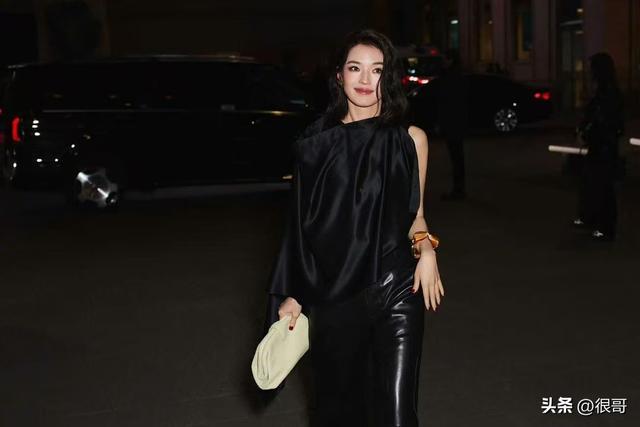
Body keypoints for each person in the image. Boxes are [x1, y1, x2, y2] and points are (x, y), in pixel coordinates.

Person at [264, 29, 444, 426]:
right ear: (339, 75)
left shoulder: (410, 139)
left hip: (397, 288)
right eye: (355, 68)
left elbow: (415, 215)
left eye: (377, 70)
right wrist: (295, 293)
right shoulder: (315, 143)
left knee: (398, 416)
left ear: (389, 78)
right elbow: (300, 226)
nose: (365, 80)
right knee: (339, 413)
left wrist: (426, 249)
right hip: (335, 295)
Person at [574, 52, 624, 241]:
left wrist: (589, 132)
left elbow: (605, 121)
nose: (590, 73)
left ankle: (605, 227)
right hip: (600, 145)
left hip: (604, 146)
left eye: (593, 69)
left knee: (603, 187)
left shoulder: (608, 92)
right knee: (592, 184)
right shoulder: (603, 90)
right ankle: (591, 219)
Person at [437, 48, 469, 200]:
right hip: (455, 122)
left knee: (456, 157)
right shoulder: (454, 76)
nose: (443, 61)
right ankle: (459, 188)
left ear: (451, 60)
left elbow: (449, 102)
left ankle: (459, 189)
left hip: (453, 123)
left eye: (445, 58)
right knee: (457, 157)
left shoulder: (452, 77)